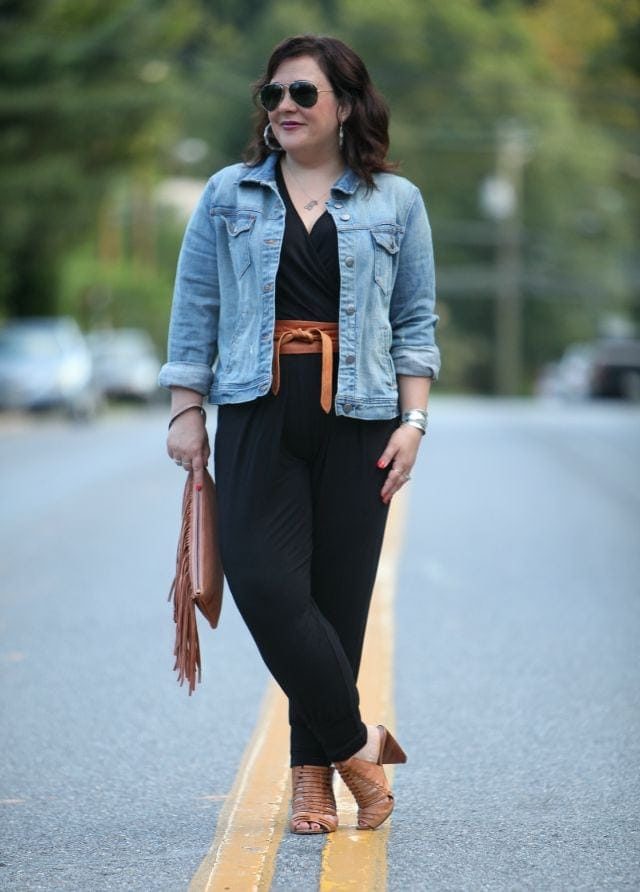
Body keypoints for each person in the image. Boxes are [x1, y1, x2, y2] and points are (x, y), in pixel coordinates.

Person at [158, 34, 440, 834]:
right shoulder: (228, 195)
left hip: (362, 421)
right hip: (257, 412)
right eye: (273, 95)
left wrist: (413, 423)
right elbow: (196, 311)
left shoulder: (396, 201)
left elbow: (416, 322)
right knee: (270, 591)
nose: (284, 107)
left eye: (302, 94)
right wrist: (187, 412)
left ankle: (312, 780)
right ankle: (360, 744)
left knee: (336, 607)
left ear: (345, 106)